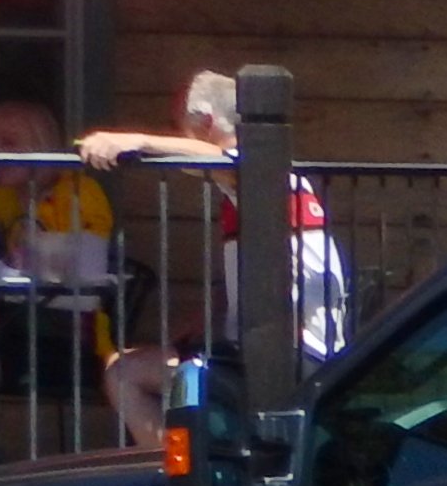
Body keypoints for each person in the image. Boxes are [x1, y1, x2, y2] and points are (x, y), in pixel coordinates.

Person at [84, 68, 347, 445]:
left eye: (178, 127)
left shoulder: (257, 171)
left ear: (206, 122)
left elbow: (224, 161)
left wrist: (136, 141)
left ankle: (174, 474)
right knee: (131, 362)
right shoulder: (264, 184)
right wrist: (197, 326)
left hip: (289, 362)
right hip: (273, 355)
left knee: (124, 372)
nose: (175, 137)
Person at [0, 97, 118, 462]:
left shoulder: (80, 193)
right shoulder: (3, 198)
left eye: (9, 144)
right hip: (13, 324)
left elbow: (81, 273)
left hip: (70, 332)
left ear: (39, 146)